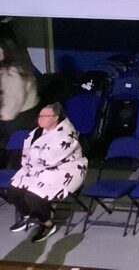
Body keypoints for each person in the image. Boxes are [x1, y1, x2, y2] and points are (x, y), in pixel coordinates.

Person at [5, 102, 87, 243]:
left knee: (33, 196)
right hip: (38, 168)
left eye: (45, 116)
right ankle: (28, 216)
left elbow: (50, 159)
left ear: (56, 118)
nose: (40, 119)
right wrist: (32, 155)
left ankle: (47, 224)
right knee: (13, 190)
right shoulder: (38, 131)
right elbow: (29, 153)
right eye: (40, 116)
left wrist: (32, 154)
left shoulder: (66, 135)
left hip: (65, 170)